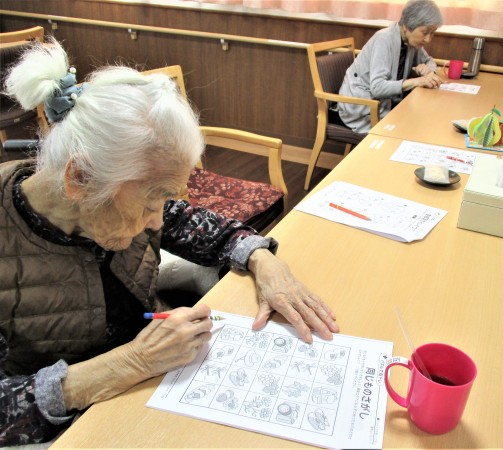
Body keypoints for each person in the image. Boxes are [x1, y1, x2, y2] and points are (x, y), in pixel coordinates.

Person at [0, 38, 338, 446]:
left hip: (152, 388)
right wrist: (131, 362)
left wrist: (263, 261)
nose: (158, 221)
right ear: (80, 179)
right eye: (151, 203)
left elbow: (196, 224)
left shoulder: (117, 196)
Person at [337, 0, 444, 133]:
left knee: (423, 120)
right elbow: (377, 88)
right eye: (425, 32)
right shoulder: (383, 40)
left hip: (385, 104)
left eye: (432, 33)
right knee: (414, 128)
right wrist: (417, 81)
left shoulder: (410, 41)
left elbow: (429, 60)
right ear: (407, 26)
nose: (428, 39)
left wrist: (429, 72)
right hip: (362, 108)